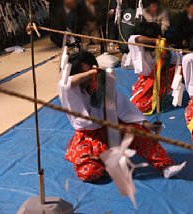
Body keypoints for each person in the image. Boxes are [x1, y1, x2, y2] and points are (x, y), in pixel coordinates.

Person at [59, 51, 186, 182]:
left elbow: (121, 105)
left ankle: (165, 166)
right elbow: (65, 83)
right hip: (88, 136)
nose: (90, 77)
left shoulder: (100, 83)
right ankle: (105, 164)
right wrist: (91, 73)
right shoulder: (69, 89)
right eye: (84, 74)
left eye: (91, 70)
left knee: (139, 133)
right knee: (89, 173)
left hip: (111, 127)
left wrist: (144, 123)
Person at [128, 22, 181, 114]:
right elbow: (133, 39)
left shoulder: (163, 48)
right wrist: (154, 41)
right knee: (138, 104)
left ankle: (161, 96)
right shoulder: (140, 46)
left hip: (162, 78)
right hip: (148, 78)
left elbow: (179, 60)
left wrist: (165, 55)